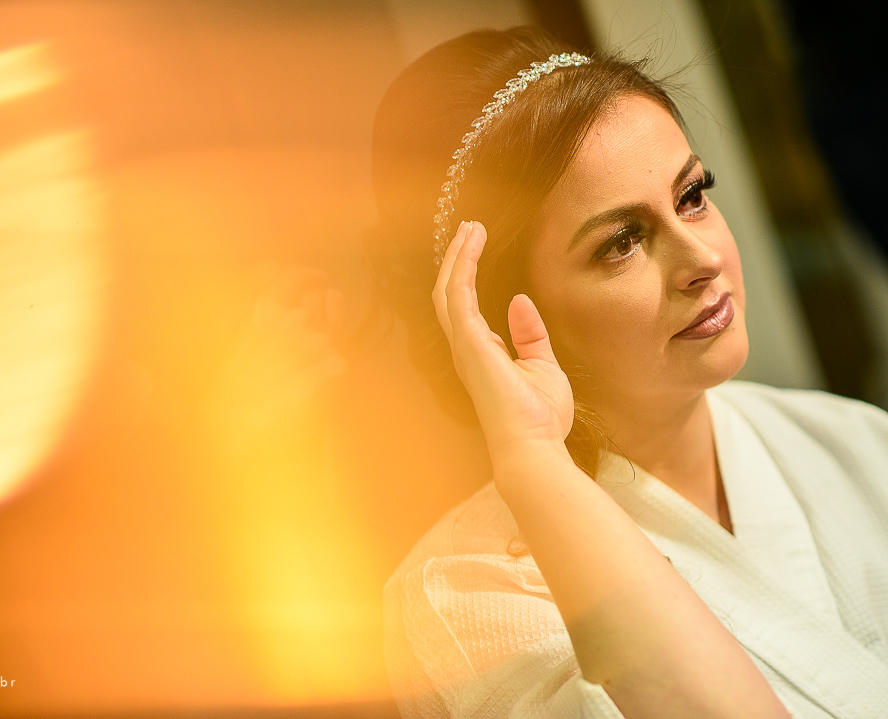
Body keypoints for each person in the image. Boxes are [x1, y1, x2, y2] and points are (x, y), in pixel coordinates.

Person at [368, 26, 888, 718]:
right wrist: (534, 461)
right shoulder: (467, 598)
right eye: (621, 242)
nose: (702, 258)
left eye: (692, 195)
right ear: (499, 313)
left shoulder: (855, 443)